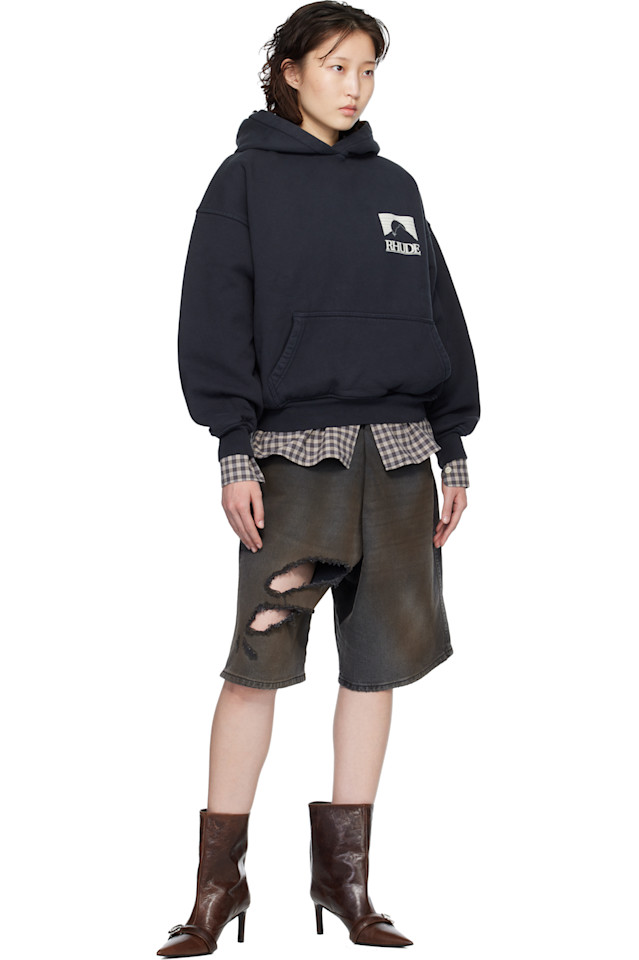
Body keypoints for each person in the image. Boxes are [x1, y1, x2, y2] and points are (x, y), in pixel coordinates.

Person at [157, 2, 480, 955]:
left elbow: (440, 314)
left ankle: (346, 885)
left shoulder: (394, 185)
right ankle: (217, 889)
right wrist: (232, 447)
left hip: (401, 457)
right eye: (336, 65)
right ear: (290, 71)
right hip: (295, 461)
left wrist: (453, 445)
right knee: (255, 668)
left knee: (375, 668)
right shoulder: (243, 181)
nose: (355, 86)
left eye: (368, 69)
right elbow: (212, 316)